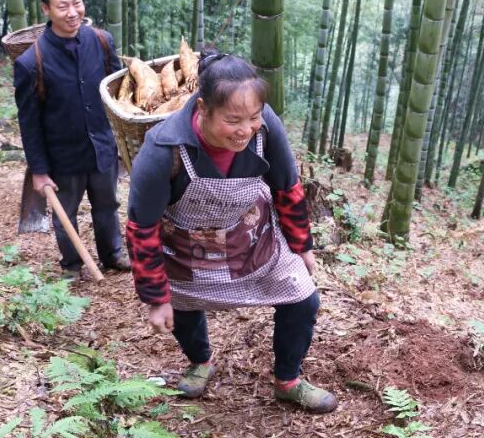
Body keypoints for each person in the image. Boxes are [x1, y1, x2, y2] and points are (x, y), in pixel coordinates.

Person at [124, 50, 338, 413]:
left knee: (304, 298)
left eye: (253, 117)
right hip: (184, 247)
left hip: (251, 236)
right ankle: (200, 361)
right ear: (203, 109)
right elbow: (141, 228)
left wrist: (302, 245)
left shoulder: (265, 127)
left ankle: (288, 381)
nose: (245, 130)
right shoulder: (163, 147)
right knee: (183, 304)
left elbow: (287, 187)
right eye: (232, 120)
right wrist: (156, 297)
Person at [13, 0, 131, 277]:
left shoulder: (102, 42)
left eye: (76, 3)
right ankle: (72, 264)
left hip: (101, 146)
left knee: (107, 204)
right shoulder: (31, 62)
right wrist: (39, 171)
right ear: (46, 9)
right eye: (62, 6)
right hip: (62, 156)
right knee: (65, 212)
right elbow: (29, 124)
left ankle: (112, 253)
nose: (72, 12)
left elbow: (118, 96)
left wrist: (122, 142)